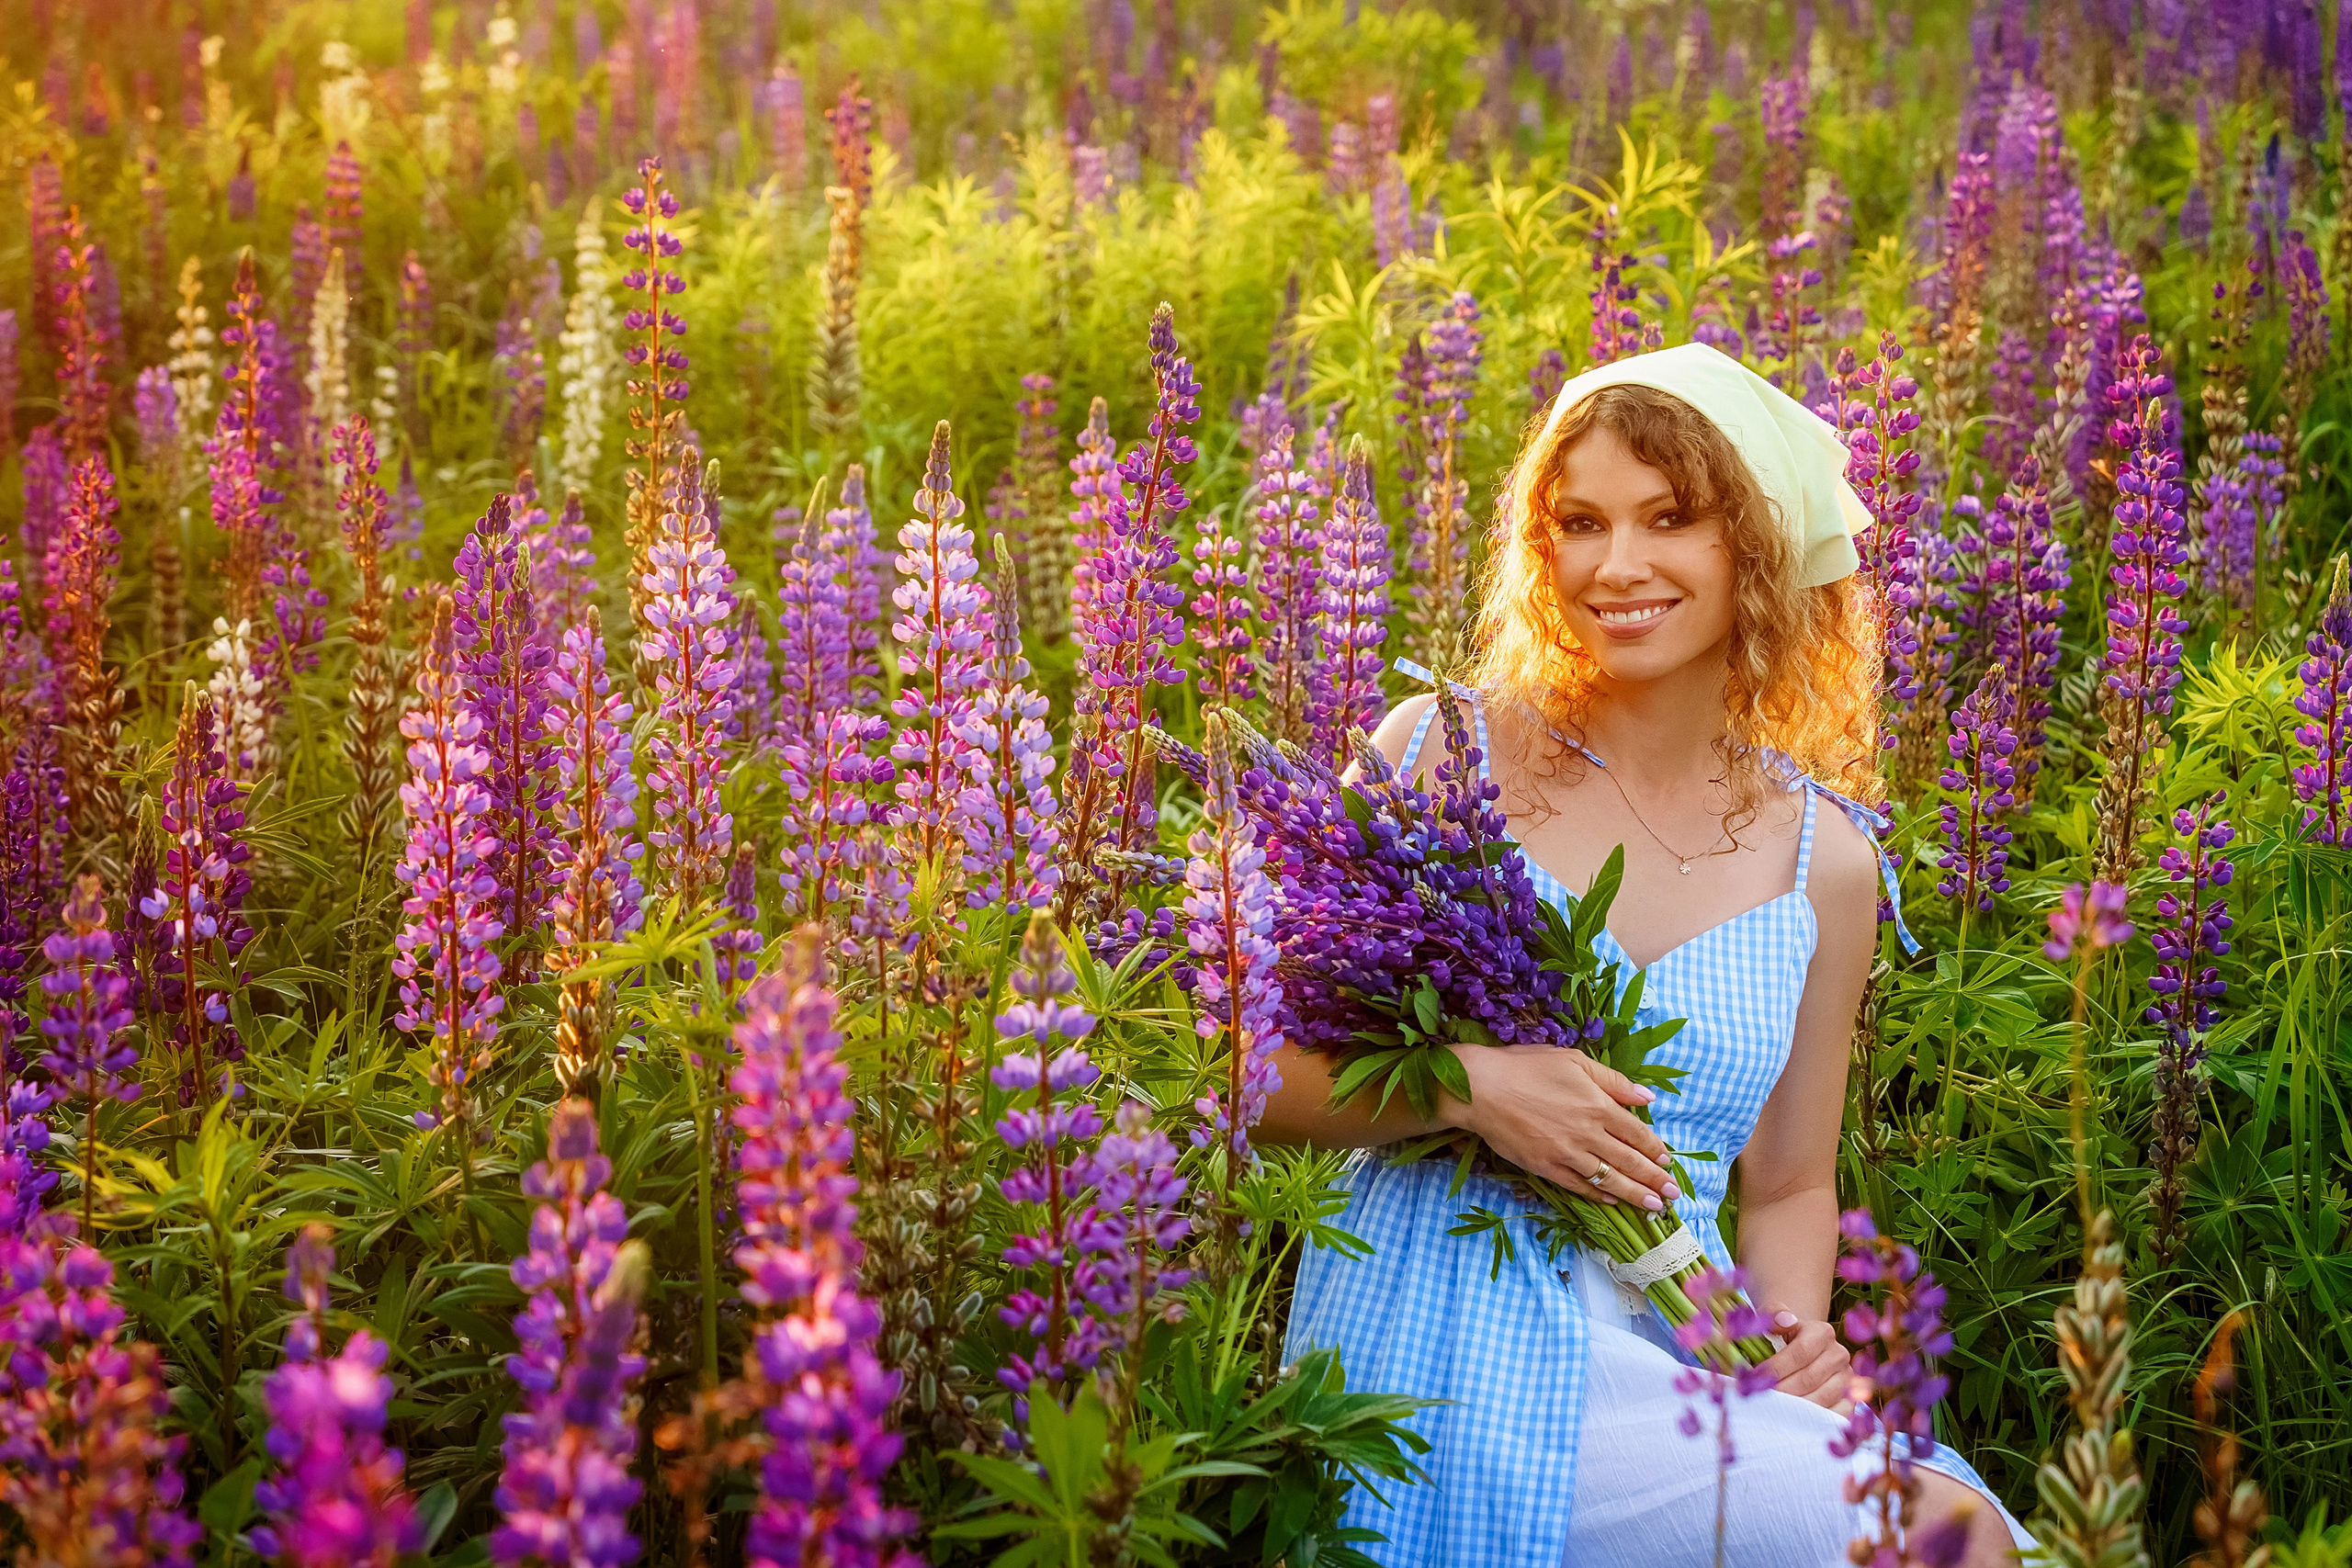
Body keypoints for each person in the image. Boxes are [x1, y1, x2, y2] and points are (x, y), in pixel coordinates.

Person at [1262, 344, 2033, 1567]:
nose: (1616, 566)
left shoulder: (1823, 861)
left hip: (1684, 1336)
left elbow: (1786, 1182)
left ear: (1758, 547)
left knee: (1960, 1532)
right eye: (1580, 523)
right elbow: (1250, 1070)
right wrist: (1465, 1088)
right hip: (1445, 1338)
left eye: (1669, 519)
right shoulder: (1437, 757)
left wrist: (1789, 1341)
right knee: (1942, 1538)